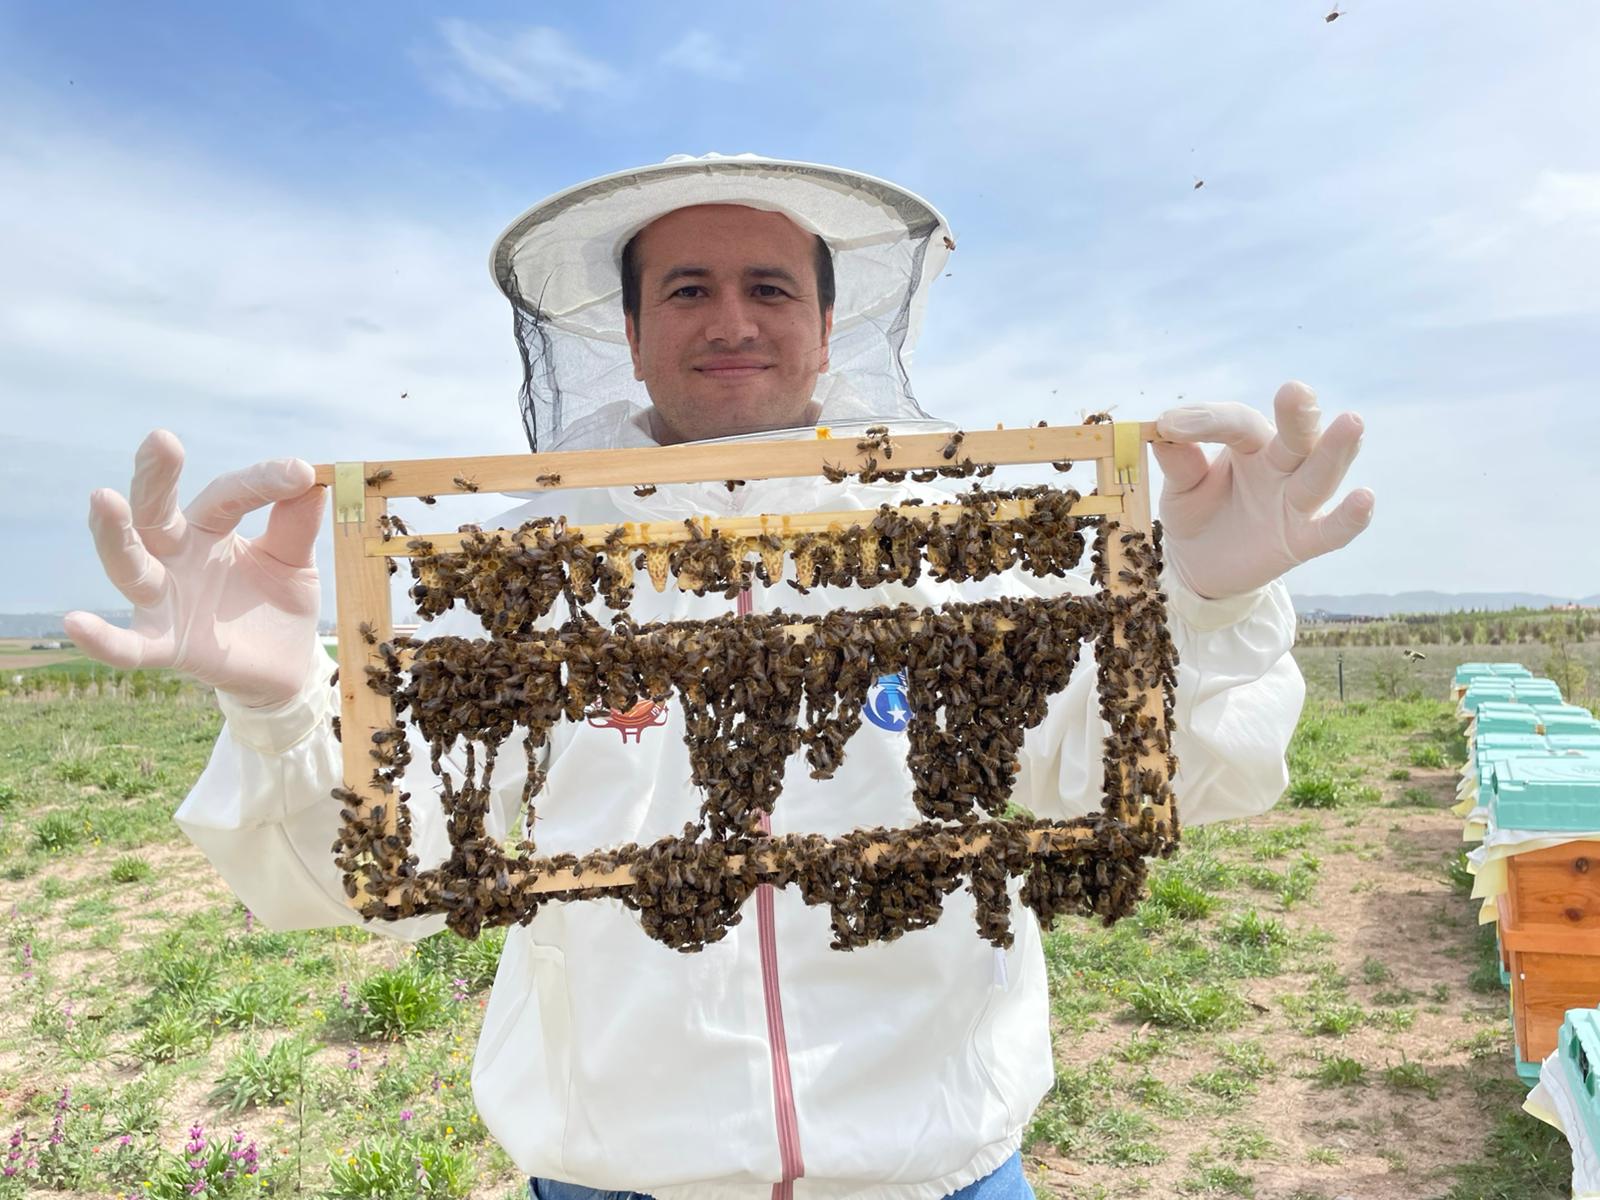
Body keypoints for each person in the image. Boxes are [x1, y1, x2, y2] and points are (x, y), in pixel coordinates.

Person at [66, 153, 1373, 1200]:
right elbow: (364, 879)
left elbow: (1167, 785)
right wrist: (279, 698)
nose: (731, 318)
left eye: (770, 286)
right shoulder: (525, 576)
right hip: (615, 1177)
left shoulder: (961, 552)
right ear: (627, 336)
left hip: (939, 1168)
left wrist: (1211, 606)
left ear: (826, 326)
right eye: (686, 289)